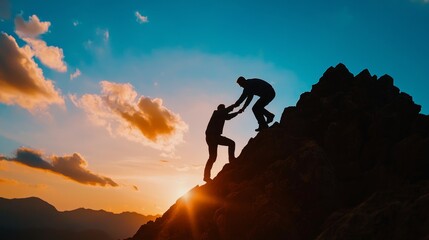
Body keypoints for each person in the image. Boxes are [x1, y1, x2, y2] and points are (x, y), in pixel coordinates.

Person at [204, 104, 240, 182]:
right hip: (212, 136)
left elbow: (228, 117)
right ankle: (206, 176)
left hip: (215, 137)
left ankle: (231, 160)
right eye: (223, 109)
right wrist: (234, 105)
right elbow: (226, 111)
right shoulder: (216, 113)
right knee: (212, 157)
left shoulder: (222, 115)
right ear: (221, 109)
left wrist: (237, 112)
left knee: (213, 157)